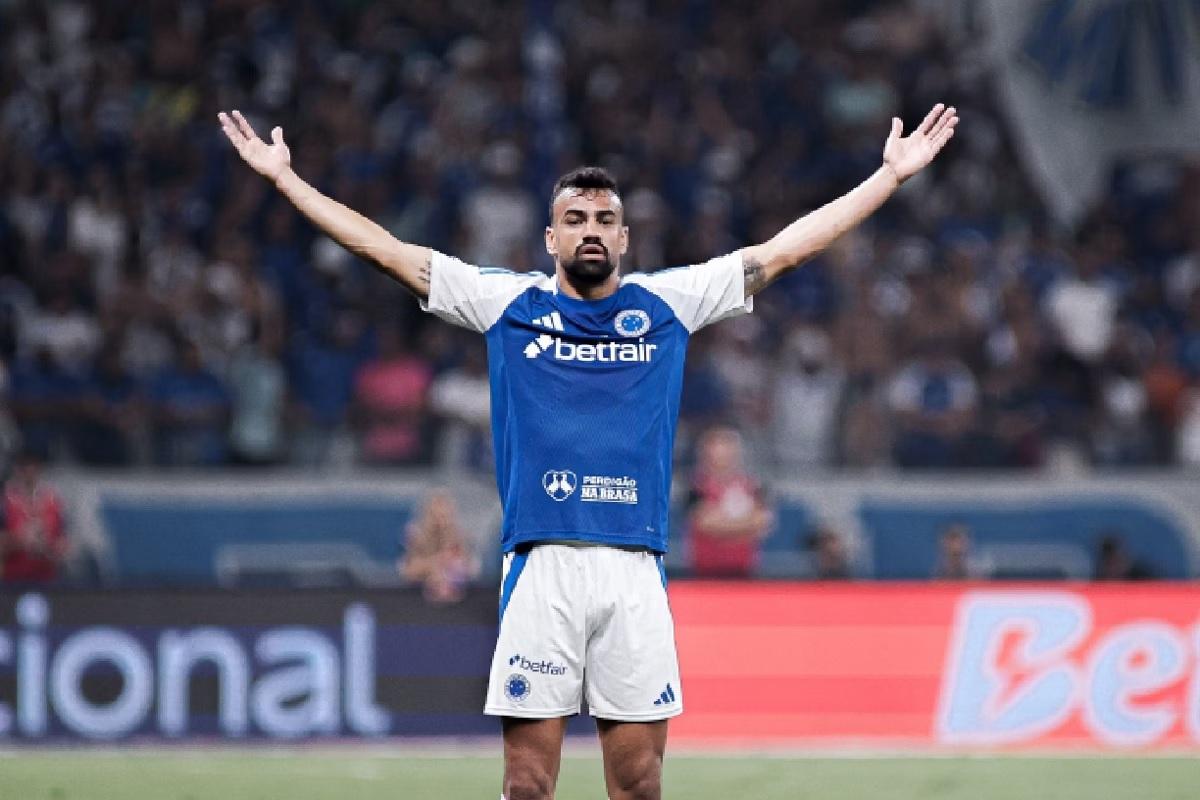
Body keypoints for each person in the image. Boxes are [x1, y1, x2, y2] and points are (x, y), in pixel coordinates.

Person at [219, 101, 957, 800]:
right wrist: (287, 181)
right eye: (575, 219)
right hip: (542, 564)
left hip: (632, 569)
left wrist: (888, 177)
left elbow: (783, 253)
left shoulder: (667, 303)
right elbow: (389, 252)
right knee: (528, 785)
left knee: (637, 786)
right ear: (551, 240)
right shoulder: (508, 303)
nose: (591, 230)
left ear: (626, 238)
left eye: (606, 219)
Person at [684, 426, 773, 578]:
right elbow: (705, 523)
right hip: (705, 574)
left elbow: (763, 522)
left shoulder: (753, 486)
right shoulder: (696, 488)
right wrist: (745, 526)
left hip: (745, 572)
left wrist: (723, 523)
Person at [398, 488, 480, 603]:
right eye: (435, 516)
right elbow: (407, 571)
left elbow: (472, 569)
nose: (440, 522)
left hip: (459, 604)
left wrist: (451, 570)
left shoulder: (460, 536)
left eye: (444, 516)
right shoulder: (415, 535)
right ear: (427, 515)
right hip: (417, 601)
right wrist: (436, 563)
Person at [0, 450, 69, 584]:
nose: (29, 473)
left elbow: (64, 543)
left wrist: (49, 548)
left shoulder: (53, 503)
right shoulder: (5, 503)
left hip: (47, 580)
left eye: (33, 468)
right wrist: (20, 540)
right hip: (13, 580)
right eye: (24, 468)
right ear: (17, 470)